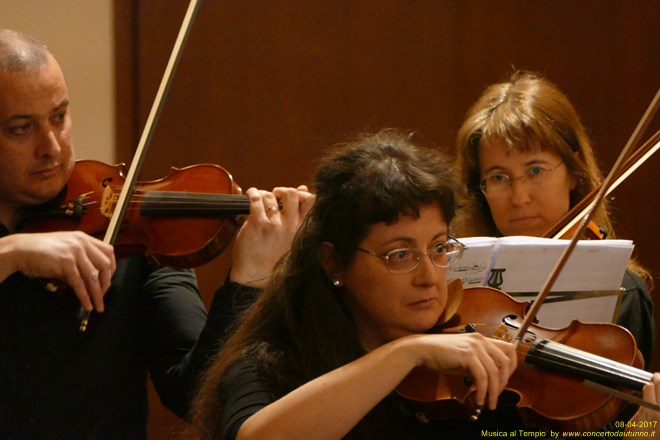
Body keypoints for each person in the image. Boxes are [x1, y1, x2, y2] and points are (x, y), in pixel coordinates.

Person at [190, 128, 660, 440]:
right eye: (400, 255)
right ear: (334, 261)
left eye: (439, 248)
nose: (429, 277)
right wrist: (403, 353)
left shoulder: (473, 374)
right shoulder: (275, 362)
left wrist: (644, 427)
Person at [0, 29, 313, 439]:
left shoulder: (138, 237)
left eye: (59, 116)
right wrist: (11, 253)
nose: (52, 147)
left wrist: (249, 280)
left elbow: (195, 392)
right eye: (21, 128)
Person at [454, 70, 655, 367]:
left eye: (535, 170)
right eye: (498, 177)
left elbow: (622, 416)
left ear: (574, 172)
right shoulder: (456, 283)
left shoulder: (619, 290)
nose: (519, 197)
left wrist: (644, 417)